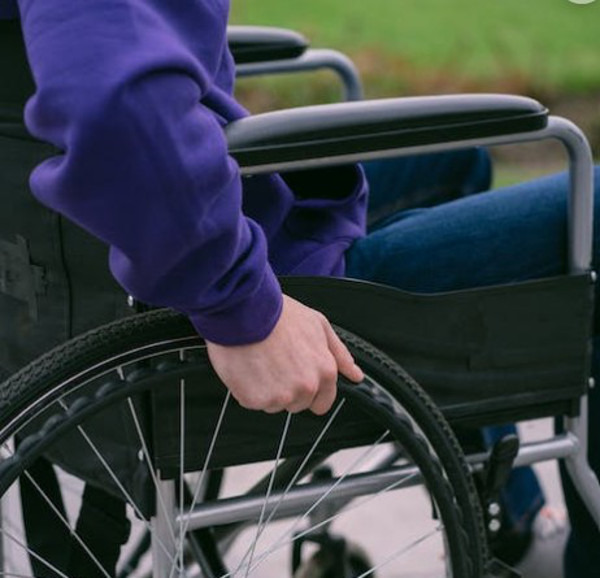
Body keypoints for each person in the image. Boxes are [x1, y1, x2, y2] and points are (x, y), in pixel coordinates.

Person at [2, 1, 599, 577]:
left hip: (99, 259)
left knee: (452, 161)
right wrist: (239, 303)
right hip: (206, 287)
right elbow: (112, 103)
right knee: (590, 200)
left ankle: (507, 516)